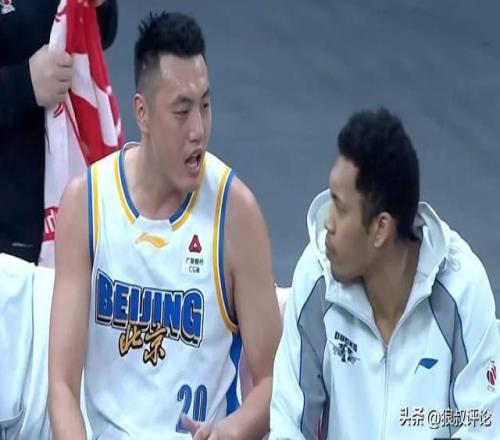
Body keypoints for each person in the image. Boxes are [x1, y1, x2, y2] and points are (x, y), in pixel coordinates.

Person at [48, 11, 281, 439]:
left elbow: (274, 381)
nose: (199, 130)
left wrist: (231, 431)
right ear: (143, 113)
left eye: (205, 106)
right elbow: (62, 384)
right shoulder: (87, 204)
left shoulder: (236, 214)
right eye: (182, 111)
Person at [270, 108, 500, 439]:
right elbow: (288, 422)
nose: (327, 222)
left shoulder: (462, 289)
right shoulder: (317, 277)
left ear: (381, 229)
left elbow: (481, 428)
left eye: (340, 207)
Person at [0, 0, 117, 263]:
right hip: (10, 229)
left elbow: (101, 32)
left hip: (72, 207)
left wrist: (100, 7)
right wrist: (24, 83)